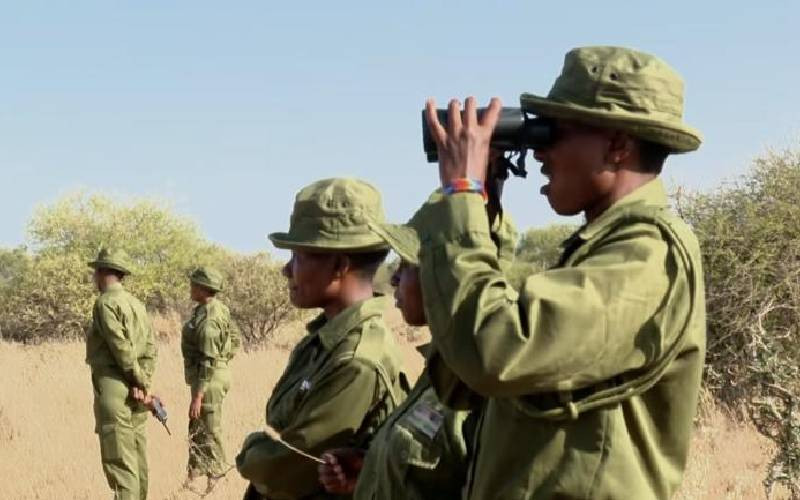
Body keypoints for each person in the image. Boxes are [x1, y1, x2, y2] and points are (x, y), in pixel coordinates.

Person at [420, 46, 707, 499]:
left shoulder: (648, 256)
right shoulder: (596, 254)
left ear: (617, 145)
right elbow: (461, 380)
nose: (538, 153)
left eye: (552, 133)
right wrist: (482, 209)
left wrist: (461, 192)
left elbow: (493, 353)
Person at [317, 190, 517, 500]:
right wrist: (372, 470)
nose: (395, 280)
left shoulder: (487, 386)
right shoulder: (444, 368)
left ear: (451, 275)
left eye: (409, 266)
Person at [236, 178, 408, 500]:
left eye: (298, 257)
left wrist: (251, 451)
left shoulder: (357, 360)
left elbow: (286, 471)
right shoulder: (325, 341)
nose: (287, 271)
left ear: (339, 265)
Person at [85, 248, 159, 500]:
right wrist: (143, 382)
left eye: (96, 271)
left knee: (120, 464)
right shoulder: (136, 304)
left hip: (115, 387)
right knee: (137, 461)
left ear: (102, 272)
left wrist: (136, 379)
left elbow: (121, 349)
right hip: (136, 391)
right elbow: (149, 347)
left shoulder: (105, 303)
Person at [181, 266, 241, 492]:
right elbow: (234, 337)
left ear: (203, 289)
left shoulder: (209, 320)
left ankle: (216, 477)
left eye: (194, 284)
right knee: (197, 425)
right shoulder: (210, 309)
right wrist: (224, 359)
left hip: (208, 378)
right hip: (211, 375)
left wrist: (198, 395)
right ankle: (194, 473)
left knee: (210, 427)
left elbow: (208, 359)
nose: (191, 287)